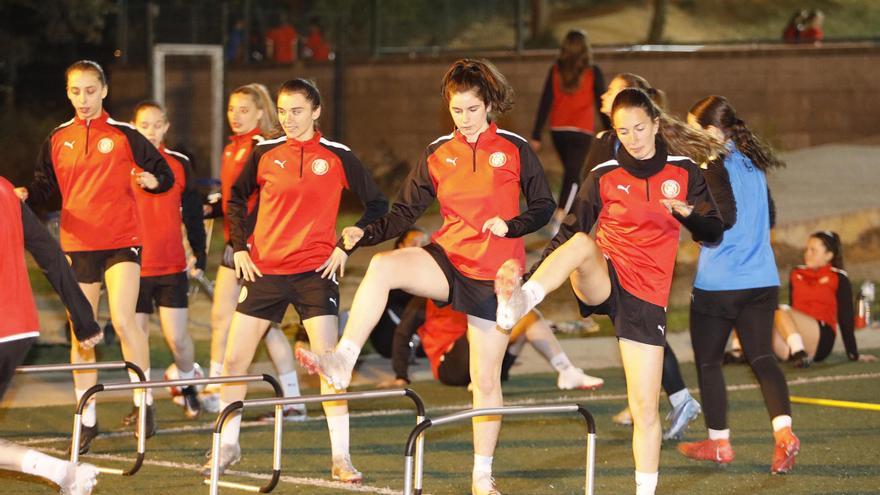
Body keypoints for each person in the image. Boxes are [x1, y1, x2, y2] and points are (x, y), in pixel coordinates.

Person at [296, 59, 555, 494]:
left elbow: (544, 206)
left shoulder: (513, 148)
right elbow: (402, 215)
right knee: (383, 267)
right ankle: (343, 359)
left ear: (489, 105)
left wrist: (511, 225)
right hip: (448, 258)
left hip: (495, 275)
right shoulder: (439, 153)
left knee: (485, 380)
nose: (466, 119)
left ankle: (481, 476)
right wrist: (363, 233)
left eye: (473, 109)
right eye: (457, 110)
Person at [494, 87, 724, 495]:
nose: (633, 139)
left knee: (646, 409)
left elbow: (714, 232)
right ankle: (523, 299)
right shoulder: (603, 176)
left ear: (655, 124)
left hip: (647, 296)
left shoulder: (684, 171)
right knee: (581, 242)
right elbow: (566, 234)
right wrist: (527, 276)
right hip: (606, 277)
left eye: (639, 128)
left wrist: (690, 216)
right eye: (623, 131)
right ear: (614, 133)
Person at [202, 78, 388, 483]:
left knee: (329, 366)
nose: (288, 119)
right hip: (265, 270)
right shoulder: (264, 151)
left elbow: (378, 205)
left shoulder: (337, 156)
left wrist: (346, 245)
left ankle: (341, 457)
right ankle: (228, 444)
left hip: (315, 274)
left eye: (297, 111)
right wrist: (241, 248)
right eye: (283, 111)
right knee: (235, 360)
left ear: (317, 111)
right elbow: (235, 199)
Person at [16, 60, 174, 454]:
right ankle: (87, 418)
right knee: (82, 330)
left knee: (123, 320)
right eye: (75, 91)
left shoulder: (124, 134)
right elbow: (43, 186)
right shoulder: (57, 138)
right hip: (78, 243)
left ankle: (144, 402)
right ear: (67, 92)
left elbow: (162, 172)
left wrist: (155, 182)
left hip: (122, 239)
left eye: (90, 90)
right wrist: (26, 196)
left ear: (103, 90)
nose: (83, 99)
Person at [678, 95, 800, 474]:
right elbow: (771, 214)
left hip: (720, 283)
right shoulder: (753, 161)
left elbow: (723, 219)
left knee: (709, 362)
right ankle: (784, 434)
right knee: (762, 358)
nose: (688, 135)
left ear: (712, 132)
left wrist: (690, 217)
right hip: (762, 280)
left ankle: (718, 442)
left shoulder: (712, 164)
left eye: (692, 129)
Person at [586, 72, 704, 442]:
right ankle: (660, 397)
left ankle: (668, 398)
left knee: (635, 322)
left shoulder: (623, 145)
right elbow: (587, 202)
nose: (604, 94)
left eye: (612, 90)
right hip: (609, 256)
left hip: (633, 263)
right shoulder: (611, 144)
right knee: (630, 322)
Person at [202, 83, 307, 421]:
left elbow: (266, 200)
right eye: (232, 110)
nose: (236, 116)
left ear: (261, 112)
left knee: (266, 326)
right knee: (221, 317)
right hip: (235, 245)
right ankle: (216, 389)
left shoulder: (263, 147)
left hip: (255, 247)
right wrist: (211, 207)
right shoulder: (232, 148)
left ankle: (292, 400)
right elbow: (235, 196)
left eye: (244, 110)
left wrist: (245, 240)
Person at [1, 176, 103, 495]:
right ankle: (63, 474)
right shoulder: (5, 190)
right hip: (18, 327)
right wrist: (83, 317)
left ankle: (65, 474)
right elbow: (49, 253)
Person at [129, 101, 206, 419]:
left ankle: (188, 383)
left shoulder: (179, 163)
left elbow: (192, 214)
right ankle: (142, 403)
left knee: (177, 338)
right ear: (133, 127)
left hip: (172, 265)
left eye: (157, 124)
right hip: (131, 267)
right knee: (136, 338)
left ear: (166, 127)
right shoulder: (123, 164)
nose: (151, 130)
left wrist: (200, 254)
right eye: (144, 125)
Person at [387, 301, 604, 391]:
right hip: (450, 365)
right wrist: (401, 375)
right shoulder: (423, 297)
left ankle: (566, 370)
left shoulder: (466, 283)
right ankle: (480, 377)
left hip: (486, 360)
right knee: (481, 325)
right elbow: (402, 333)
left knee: (530, 317)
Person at [531, 29, 607, 228]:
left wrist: (537, 133)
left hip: (559, 130)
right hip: (581, 130)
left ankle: (562, 212)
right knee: (573, 174)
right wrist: (611, 127)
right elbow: (602, 104)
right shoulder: (592, 71)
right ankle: (561, 215)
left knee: (571, 172)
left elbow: (545, 102)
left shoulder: (556, 70)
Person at [772, 231, 877, 367]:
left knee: (780, 310)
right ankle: (742, 351)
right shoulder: (796, 273)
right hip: (798, 337)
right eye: (807, 249)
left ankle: (799, 353)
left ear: (829, 255)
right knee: (759, 312)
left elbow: (845, 318)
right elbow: (793, 311)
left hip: (822, 337)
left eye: (813, 250)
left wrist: (853, 353)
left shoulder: (838, 277)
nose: (807, 253)